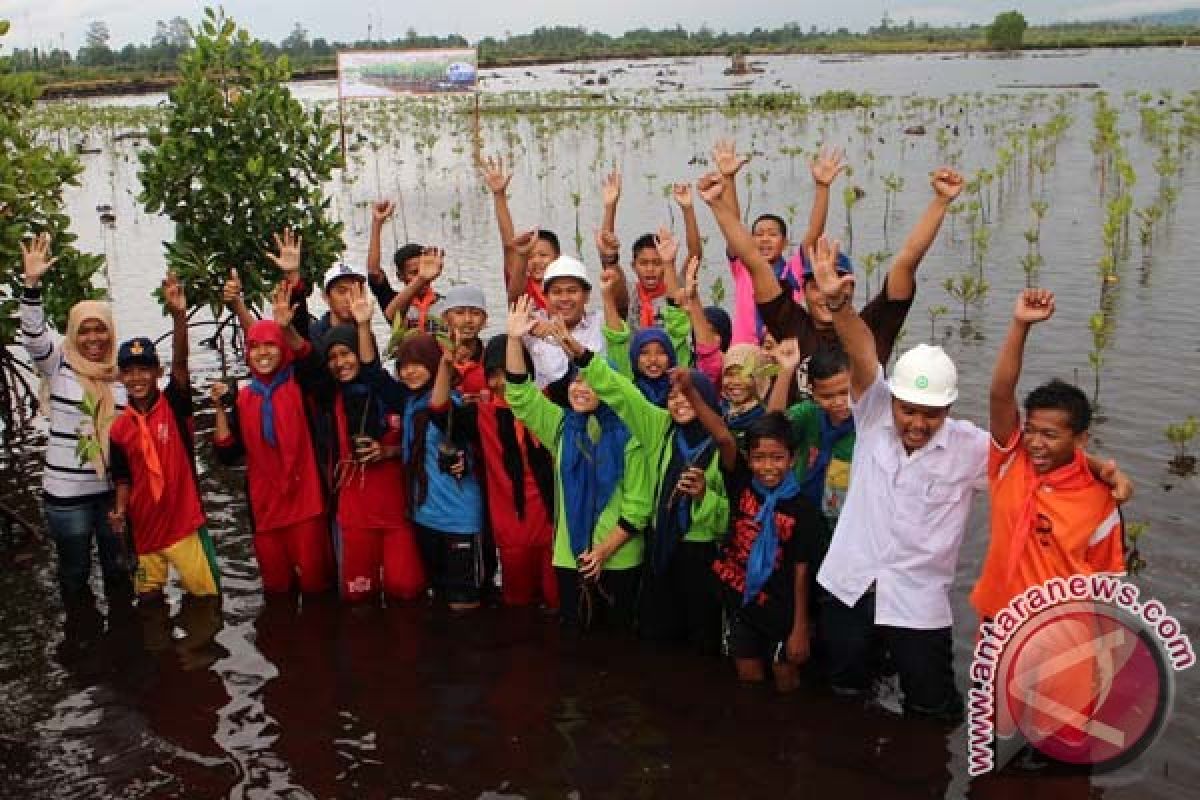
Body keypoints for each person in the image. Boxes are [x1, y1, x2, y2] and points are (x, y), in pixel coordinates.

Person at [806, 236, 1130, 720]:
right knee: (845, 690)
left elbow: (1033, 450)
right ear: (892, 401)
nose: (917, 423)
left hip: (917, 603)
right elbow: (863, 354)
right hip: (849, 584)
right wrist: (839, 306)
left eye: (931, 413)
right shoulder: (872, 415)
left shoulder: (970, 448)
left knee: (934, 709)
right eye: (908, 410)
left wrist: (1099, 467)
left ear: (950, 408)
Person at [700, 160, 964, 369]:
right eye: (816, 286)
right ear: (803, 291)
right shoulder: (794, 327)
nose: (828, 291)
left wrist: (941, 202)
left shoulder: (871, 329)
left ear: (851, 286)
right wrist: (716, 203)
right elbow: (753, 260)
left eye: (838, 281)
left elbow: (907, 261)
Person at [972, 288, 1127, 620]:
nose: (1035, 443)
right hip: (1000, 622)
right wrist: (1020, 325)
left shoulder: (1100, 500)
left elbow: (1107, 583)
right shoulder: (1011, 460)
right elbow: (1000, 393)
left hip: (1063, 632)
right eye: (1031, 430)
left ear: (1081, 439)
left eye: (1050, 435)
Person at [571, 340, 732, 655]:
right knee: (656, 640)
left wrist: (703, 496)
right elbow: (622, 393)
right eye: (672, 396)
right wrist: (582, 355)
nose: (679, 402)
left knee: (702, 643)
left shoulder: (724, 444)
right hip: (661, 549)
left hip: (703, 557)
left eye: (688, 395)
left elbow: (731, 520)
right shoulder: (661, 429)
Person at [505, 297, 646, 630]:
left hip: (619, 558)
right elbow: (521, 396)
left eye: (591, 381)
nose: (581, 388)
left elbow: (638, 506)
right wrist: (513, 339)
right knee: (574, 645)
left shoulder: (631, 433)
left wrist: (602, 552)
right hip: (571, 557)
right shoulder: (562, 427)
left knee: (619, 646)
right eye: (576, 381)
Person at [20, 233, 132, 604]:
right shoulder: (57, 365)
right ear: (73, 333)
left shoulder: (122, 374)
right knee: (74, 574)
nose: (93, 338)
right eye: (84, 330)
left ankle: (123, 634)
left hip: (111, 492)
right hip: (67, 496)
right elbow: (33, 336)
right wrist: (31, 284)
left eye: (100, 329)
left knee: (119, 572)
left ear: (111, 332)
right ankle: (80, 634)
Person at [210, 299, 334, 595]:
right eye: (254, 347)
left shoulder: (301, 386)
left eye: (270, 345)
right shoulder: (243, 397)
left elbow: (315, 367)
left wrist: (287, 327)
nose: (262, 353)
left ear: (283, 348)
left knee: (316, 587)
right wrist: (219, 409)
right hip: (265, 508)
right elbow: (228, 453)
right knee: (277, 590)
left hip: (307, 504)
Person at [108, 274, 219, 601]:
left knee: (206, 600)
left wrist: (179, 316)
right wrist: (120, 511)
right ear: (120, 377)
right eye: (129, 371)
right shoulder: (118, 429)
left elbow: (181, 362)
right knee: (148, 602)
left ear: (157, 372)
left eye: (144, 369)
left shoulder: (175, 404)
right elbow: (123, 478)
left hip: (184, 524)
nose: (137, 378)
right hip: (145, 530)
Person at [311, 288, 426, 604]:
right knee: (358, 601)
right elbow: (302, 360)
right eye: (332, 357)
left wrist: (389, 451)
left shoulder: (392, 393)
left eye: (346, 354)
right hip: (353, 514)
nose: (340, 363)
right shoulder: (329, 397)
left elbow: (372, 370)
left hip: (397, 511)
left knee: (406, 593)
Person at [710, 412, 825, 691]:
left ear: (792, 459)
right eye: (759, 458)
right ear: (748, 460)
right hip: (743, 604)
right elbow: (723, 438)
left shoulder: (805, 511)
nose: (767, 466)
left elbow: (802, 572)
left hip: (783, 613)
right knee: (748, 678)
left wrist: (800, 628)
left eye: (777, 458)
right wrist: (690, 392)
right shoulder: (741, 485)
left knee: (786, 680)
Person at [444, 334, 558, 608]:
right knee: (517, 606)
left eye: (508, 373)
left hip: (554, 524)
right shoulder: (481, 414)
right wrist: (445, 368)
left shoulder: (550, 407)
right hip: (512, 527)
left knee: (557, 601)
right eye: (493, 374)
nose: (501, 382)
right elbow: (438, 412)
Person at [709, 139, 846, 347]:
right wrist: (728, 178)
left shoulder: (794, 271)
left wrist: (822, 187)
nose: (764, 239)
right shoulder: (744, 267)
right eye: (758, 234)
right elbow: (732, 225)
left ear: (785, 242)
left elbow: (814, 232)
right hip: (745, 349)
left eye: (772, 234)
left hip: (785, 349)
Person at [407, 333, 486, 611]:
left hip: (459, 518)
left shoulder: (459, 405)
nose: (410, 372)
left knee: (464, 604)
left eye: (418, 364)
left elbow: (439, 410)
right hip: (425, 516)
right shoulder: (409, 404)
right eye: (404, 366)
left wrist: (445, 366)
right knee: (438, 597)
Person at [768, 339, 855, 564]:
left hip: (845, 530)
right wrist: (785, 372)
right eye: (827, 396)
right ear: (813, 393)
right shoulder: (809, 415)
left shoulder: (867, 424)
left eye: (845, 392)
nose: (839, 402)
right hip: (804, 516)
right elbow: (772, 428)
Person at [522, 255, 607, 389]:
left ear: (586, 295)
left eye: (572, 291)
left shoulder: (601, 322)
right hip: (547, 401)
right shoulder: (533, 325)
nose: (564, 298)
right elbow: (515, 308)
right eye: (556, 292)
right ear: (545, 297)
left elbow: (619, 303)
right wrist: (531, 327)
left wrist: (610, 261)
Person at [363, 200, 441, 333]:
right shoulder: (393, 301)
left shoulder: (447, 303)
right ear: (400, 276)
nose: (422, 275)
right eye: (414, 273)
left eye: (424, 270)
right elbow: (374, 272)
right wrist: (377, 223)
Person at [439, 285, 489, 400]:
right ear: (445, 318)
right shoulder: (432, 354)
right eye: (459, 312)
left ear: (484, 321)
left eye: (475, 313)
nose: (468, 320)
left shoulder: (490, 358)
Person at [721, 343, 770, 447]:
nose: (736, 382)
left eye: (746, 375)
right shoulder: (717, 412)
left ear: (759, 379)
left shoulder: (767, 419)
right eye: (729, 374)